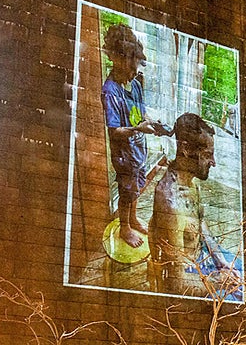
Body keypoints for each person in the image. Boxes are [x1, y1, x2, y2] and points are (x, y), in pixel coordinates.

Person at [149, 113, 238, 296]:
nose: (213, 163)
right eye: (207, 155)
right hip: (188, 283)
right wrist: (219, 282)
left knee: (240, 271)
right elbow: (177, 284)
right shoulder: (171, 203)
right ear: (186, 149)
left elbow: (201, 225)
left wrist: (222, 263)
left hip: (203, 264)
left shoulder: (191, 183)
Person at [101, 23, 159, 249]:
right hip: (124, 154)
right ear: (116, 59)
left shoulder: (135, 84)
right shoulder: (111, 91)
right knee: (126, 190)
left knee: (136, 186)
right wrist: (138, 129)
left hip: (138, 150)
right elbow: (114, 131)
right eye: (131, 67)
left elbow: (140, 111)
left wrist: (150, 122)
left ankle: (133, 218)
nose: (135, 72)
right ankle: (124, 226)